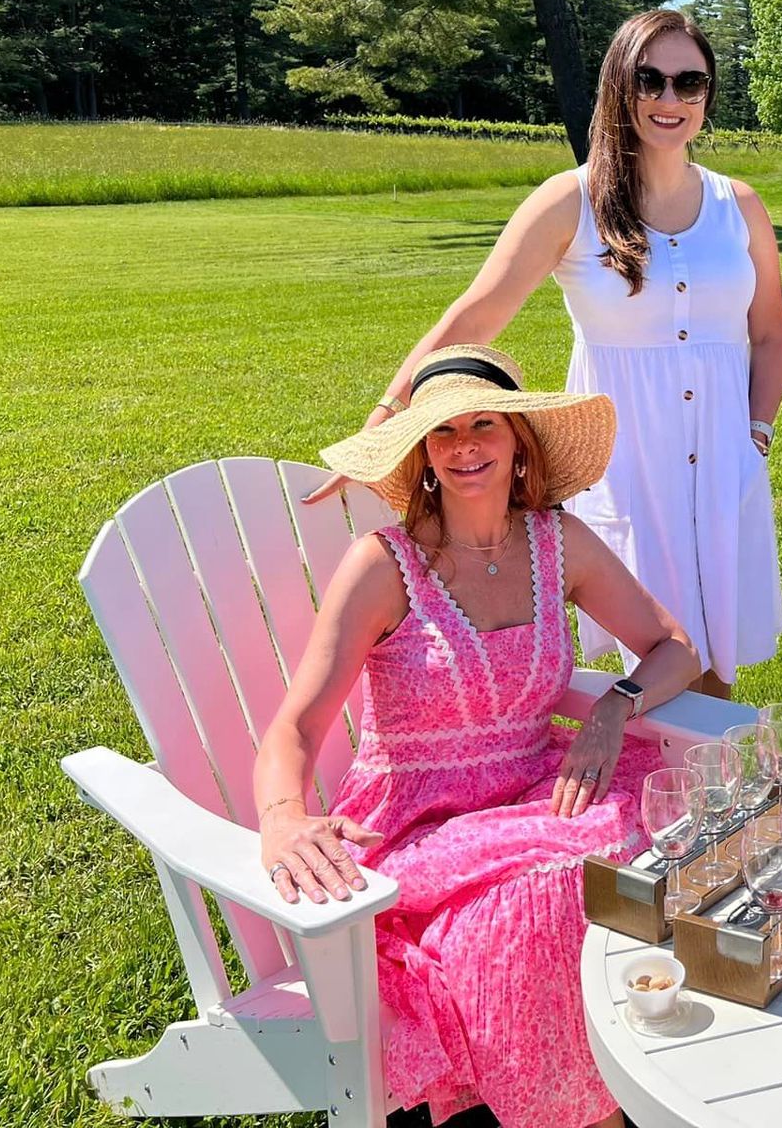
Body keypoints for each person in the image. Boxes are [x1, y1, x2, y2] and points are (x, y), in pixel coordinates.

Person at [257, 344, 699, 1128]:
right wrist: (283, 816)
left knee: (657, 824)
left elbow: (674, 647)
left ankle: (659, 1072)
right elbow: (296, 724)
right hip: (421, 823)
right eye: (444, 432)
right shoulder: (384, 566)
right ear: (425, 455)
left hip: (536, 786)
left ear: (517, 441)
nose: (465, 445)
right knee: (548, 893)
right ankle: (585, 1114)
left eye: (484, 425)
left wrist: (613, 707)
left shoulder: (558, 544)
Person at [313, 10, 782, 699]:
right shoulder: (572, 201)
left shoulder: (738, 204)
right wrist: (387, 415)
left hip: (722, 459)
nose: (669, 100)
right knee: (653, 655)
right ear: (618, 86)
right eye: (650, 79)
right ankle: (663, 795)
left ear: (709, 94)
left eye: (691, 83)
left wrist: (756, 436)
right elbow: (474, 315)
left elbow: (771, 333)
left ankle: (702, 794)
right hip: (625, 465)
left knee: (713, 663)